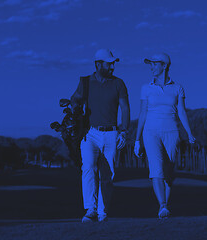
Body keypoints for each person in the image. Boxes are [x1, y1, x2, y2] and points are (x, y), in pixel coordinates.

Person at [71, 49, 130, 222]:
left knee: (107, 174)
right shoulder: (86, 82)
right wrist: (75, 109)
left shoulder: (119, 83)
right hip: (89, 133)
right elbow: (75, 99)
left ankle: (103, 213)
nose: (112, 67)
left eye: (113, 63)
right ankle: (90, 209)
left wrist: (124, 131)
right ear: (98, 64)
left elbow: (125, 108)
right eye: (109, 63)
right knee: (88, 167)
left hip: (111, 133)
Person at [134, 53, 195, 219]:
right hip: (150, 132)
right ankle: (162, 205)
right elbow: (142, 113)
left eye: (154, 64)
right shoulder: (146, 88)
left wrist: (189, 133)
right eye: (150, 65)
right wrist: (137, 139)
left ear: (164, 66)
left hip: (172, 131)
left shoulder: (177, 87)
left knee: (169, 171)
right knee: (156, 169)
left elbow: (182, 112)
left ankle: (164, 206)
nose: (151, 68)